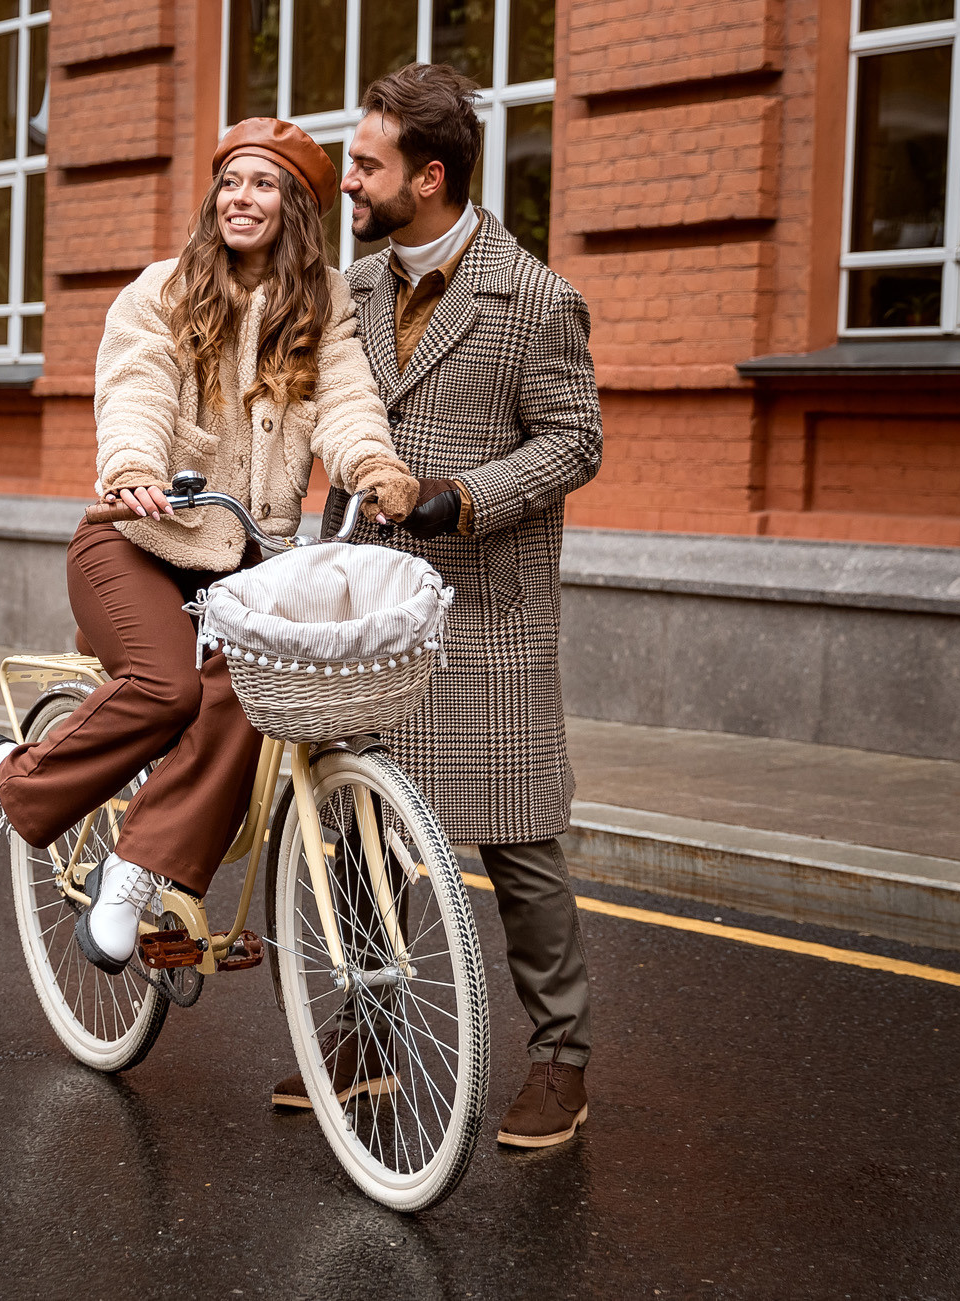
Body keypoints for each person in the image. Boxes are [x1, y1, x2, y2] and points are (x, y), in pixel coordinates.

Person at [0, 119, 422, 975]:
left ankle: (137, 870)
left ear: (295, 205)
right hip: (133, 539)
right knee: (165, 687)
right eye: (230, 182)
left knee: (249, 687)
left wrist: (373, 466)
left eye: (263, 184)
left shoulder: (326, 305)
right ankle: (8, 781)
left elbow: (344, 399)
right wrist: (131, 468)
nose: (241, 198)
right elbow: (136, 387)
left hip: (245, 559)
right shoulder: (162, 290)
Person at [269, 62, 605, 1150]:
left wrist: (459, 499)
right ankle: (368, 1038)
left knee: (518, 843)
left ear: (427, 175)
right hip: (366, 600)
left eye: (363, 165)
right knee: (357, 829)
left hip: (486, 607)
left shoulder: (535, 297)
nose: (347, 181)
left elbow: (573, 443)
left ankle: (559, 1059)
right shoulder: (350, 290)